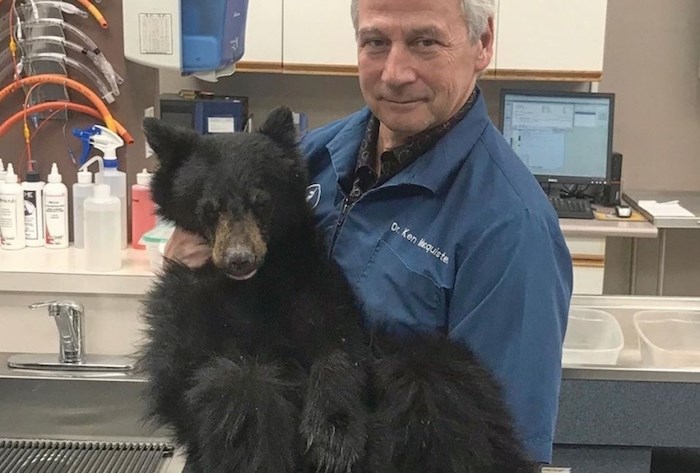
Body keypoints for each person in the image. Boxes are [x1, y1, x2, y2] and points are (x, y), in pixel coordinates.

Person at [164, 0, 572, 465]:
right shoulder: (310, 159)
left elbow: (499, 452)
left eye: (425, 42)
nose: (395, 72)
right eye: (376, 42)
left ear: (483, 44)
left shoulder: (512, 228)